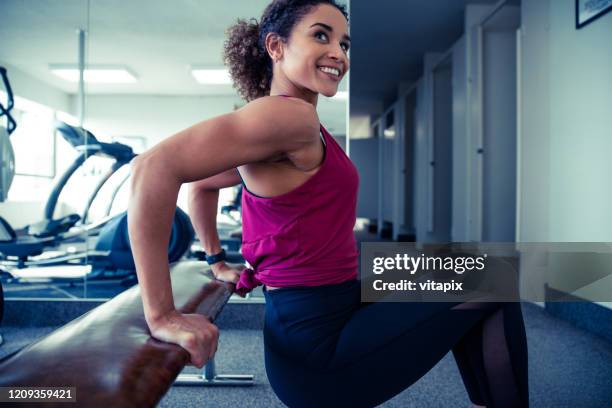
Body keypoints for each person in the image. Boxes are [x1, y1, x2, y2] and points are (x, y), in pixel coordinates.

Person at [127, 1, 529, 407]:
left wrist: (216, 258)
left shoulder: (294, 127)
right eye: (321, 35)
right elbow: (152, 167)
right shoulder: (291, 119)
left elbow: (201, 186)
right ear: (276, 46)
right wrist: (162, 315)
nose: (339, 52)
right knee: (491, 277)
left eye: (345, 42)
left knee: (474, 272)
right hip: (322, 346)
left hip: (327, 310)